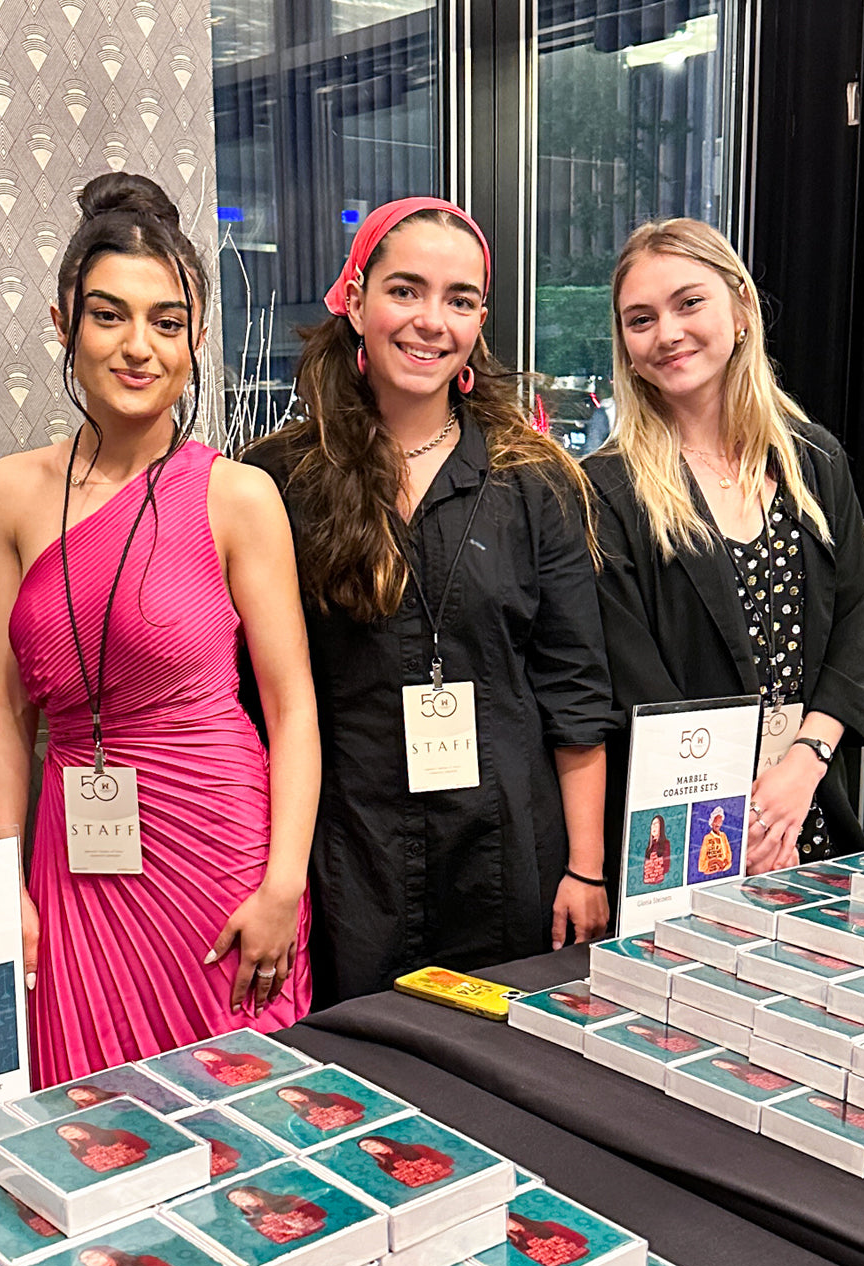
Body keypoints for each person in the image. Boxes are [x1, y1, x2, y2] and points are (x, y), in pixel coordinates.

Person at [0, 172, 319, 1086]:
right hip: (72, 867)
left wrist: (283, 884)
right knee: (84, 1125)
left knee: (242, 1123)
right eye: (108, 316)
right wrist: (0, 885)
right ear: (63, 325)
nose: (139, 347)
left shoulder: (237, 495)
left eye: (167, 323)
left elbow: (291, 709)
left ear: (196, 337)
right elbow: (4, 707)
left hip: (221, 855)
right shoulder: (12, 491)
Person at [243, 197, 616, 1002]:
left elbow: (575, 690)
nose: (430, 322)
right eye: (404, 290)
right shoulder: (274, 481)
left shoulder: (535, 480)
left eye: (459, 300)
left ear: (480, 321)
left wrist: (585, 866)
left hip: (505, 850)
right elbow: (251, 699)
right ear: (354, 299)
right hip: (348, 851)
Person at [583, 219, 864, 892]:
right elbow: (636, 686)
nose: (667, 333)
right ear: (625, 348)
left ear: (739, 306)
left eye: (689, 302)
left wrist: (803, 766)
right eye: (639, 319)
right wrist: (739, 818)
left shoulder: (814, 462)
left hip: (811, 806)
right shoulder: (607, 491)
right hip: (690, 831)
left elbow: (854, 630)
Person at [225, 1184, 327, 1242]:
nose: (239, 1200)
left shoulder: (289, 1199)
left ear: (254, 1193)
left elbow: (321, 1214)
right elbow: (278, 1239)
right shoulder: (254, 1221)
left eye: (241, 1195)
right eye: (234, 1200)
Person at [55, 1119, 149, 1171]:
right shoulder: (75, 1151)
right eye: (63, 1134)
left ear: (80, 1127)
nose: (67, 1133)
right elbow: (96, 1169)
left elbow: (145, 1146)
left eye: (68, 1130)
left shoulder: (116, 1133)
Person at [275, 1083, 364, 1131]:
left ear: (297, 1090)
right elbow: (319, 1127)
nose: (287, 1095)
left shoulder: (331, 1096)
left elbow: (359, 1108)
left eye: (288, 1092)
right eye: (284, 1096)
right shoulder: (300, 1112)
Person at [697, 807, 733, 876]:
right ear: (712, 822)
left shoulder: (723, 836)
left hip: (724, 869)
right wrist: (712, 863)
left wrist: (726, 863)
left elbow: (728, 852)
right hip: (710, 871)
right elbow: (702, 861)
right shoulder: (707, 838)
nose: (717, 824)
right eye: (715, 821)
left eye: (719, 822)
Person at [642, 814, 671, 885]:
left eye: (656, 824)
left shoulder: (665, 844)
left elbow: (666, 867)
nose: (653, 827)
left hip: (660, 881)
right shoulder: (649, 848)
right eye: (652, 825)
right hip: (648, 881)